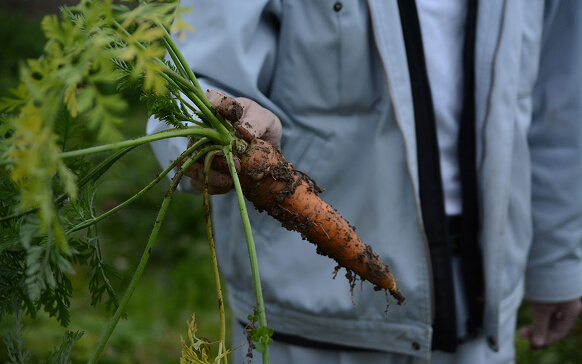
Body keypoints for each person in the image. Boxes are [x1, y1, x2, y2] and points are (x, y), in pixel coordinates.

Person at [148, 1, 582, 362]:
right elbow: (195, 75)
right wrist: (203, 131)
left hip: (481, 292)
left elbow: (558, 105)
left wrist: (557, 261)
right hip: (312, 321)